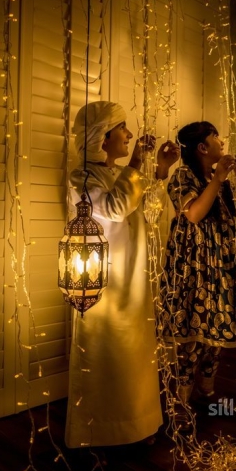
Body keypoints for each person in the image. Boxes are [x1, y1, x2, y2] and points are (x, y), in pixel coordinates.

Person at [65, 101, 179, 448]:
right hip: (105, 284)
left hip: (134, 276)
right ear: (103, 137)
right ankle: (100, 432)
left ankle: (137, 425)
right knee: (106, 355)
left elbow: (149, 209)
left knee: (136, 353)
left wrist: (160, 168)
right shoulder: (82, 177)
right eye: (122, 128)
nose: (129, 135)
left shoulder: (119, 173)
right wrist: (136, 164)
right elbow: (115, 208)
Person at [158, 120, 236, 418]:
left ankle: (207, 391)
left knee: (216, 333)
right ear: (202, 147)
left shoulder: (217, 179)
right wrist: (218, 178)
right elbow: (195, 214)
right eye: (215, 136)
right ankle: (181, 402)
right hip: (193, 265)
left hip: (220, 263)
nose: (221, 141)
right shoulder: (183, 176)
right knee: (193, 336)